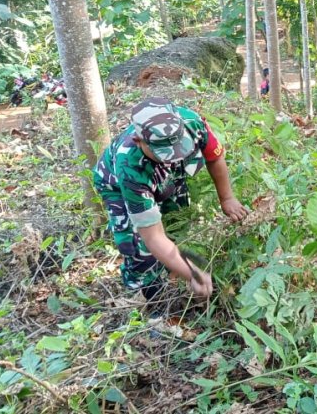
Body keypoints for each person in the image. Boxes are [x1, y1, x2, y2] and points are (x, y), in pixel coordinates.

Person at [93, 97, 249, 302]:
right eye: (166, 152)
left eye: (178, 148)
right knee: (138, 246)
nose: (174, 156)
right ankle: (147, 295)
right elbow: (153, 237)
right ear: (139, 141)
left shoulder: (192, 123)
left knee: (176, 220)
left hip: (166, 176)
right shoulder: (128, 166)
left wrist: (227, 198)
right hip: (117, 186)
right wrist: (193, 274)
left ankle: (171, 267)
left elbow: (214, 157)